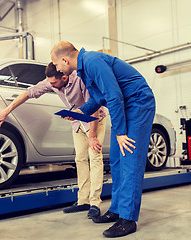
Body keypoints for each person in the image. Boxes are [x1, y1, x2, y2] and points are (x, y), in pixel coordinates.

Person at [51, 41, 156, 238]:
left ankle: (128, 219)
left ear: (64, 59)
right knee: (116, 161)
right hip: (123, 105)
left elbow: (114, 95)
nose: (57, 69)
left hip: (138, 103)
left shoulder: (92, 61)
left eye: (56, 65)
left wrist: (121, 133)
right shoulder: (83, 70)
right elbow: (99, 99)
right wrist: (79, 112)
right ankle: (116, 210)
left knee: (130, 160)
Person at [0, 62, 107, 218]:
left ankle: (95, 203)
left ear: (64, 77)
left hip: (95, 120)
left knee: (95, 159)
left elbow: (95, 107)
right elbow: (28, 93)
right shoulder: (52, 82)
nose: (51, 86)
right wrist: (6, 111)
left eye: (53, 83)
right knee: (80, 160)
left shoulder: (81, 79)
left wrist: (92, 137)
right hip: (77, 122)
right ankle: (83, 201)